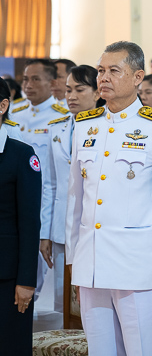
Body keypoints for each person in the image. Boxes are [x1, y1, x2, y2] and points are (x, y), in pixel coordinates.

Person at [66, 41, 152, 356]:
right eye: (100, 71)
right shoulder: (85, 127)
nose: (104, 78)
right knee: (101, 350)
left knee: (143, 350)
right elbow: (75, 200)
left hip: (139, 267)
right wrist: (74, 261)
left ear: (138, 77)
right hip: (92, 263)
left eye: (113, 71)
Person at [40, 65, 102, 314]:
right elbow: (50, 184)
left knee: (93, 299)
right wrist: (45, 231)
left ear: (97, 92)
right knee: (63, 302)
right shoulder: (57, 128)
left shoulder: (106, 128)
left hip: (92, 223)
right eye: (68, 90)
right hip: (60, 228)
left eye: (79, 89)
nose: (71, 96)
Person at [8, 59, 69, 297]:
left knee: (35, 273)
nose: (28, 85)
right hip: (14, 200)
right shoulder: (14, 113)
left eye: (35, 79)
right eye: (25, 79)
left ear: (52, 82)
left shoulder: (61, 118)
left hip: (45, 201)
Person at [0, 77, 42, 355]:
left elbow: (29, 222)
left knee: (9, 346)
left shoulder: (21, 155)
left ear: (2, 105)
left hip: (6, 275)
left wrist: (26, 280)